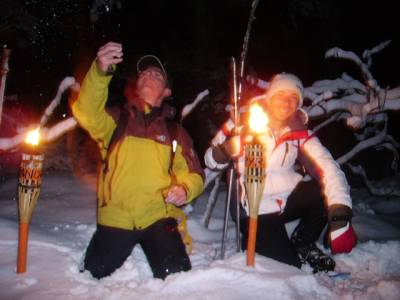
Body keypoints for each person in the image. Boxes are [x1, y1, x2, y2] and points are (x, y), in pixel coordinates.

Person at [72, 41, 205, 280]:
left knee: (178, 280)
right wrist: (99, 72)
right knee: (92, 278)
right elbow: (86, 112)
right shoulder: (116, 120)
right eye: (144, 73)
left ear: (166, 91)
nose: (148, 76)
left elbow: (195, 174)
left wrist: (185, 189)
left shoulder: (175, 132)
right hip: (116, 216)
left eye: (156, 74)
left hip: (157, 216)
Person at [204, 73, 357, 272]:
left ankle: (303, 242)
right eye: (281, 94)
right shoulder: (242, 123)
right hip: (254, 206)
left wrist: (340, 212)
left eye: (293, 97)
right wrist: (225, 150)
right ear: (270, 97)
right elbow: (210, 159)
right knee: (287, 268)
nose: (287, 102)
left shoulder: (299, 133)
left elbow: (328, 168)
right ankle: (259, 240)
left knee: (322, 191)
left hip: (285, 199)